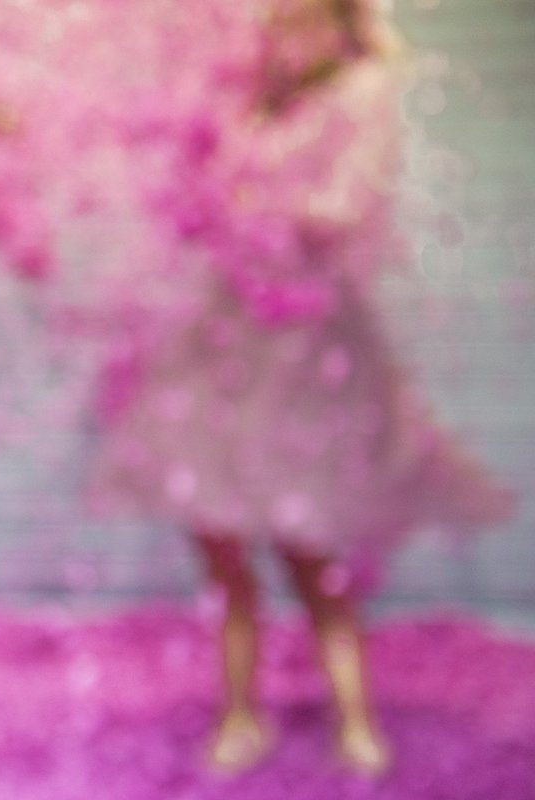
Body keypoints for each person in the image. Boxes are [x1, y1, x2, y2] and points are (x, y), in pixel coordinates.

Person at [94, 0, 514, 775]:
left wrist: (248, 206)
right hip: (229, 344)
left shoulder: (361, 89)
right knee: (222, 542)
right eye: (274, 23)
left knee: (313, 548)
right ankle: (240, 712)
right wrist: (197, 191)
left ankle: (354, 720)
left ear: (338, 20)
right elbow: (200, 203)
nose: (280, 38)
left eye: (298, 21)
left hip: (308, 349)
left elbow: (345, 207)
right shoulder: (245, 99)